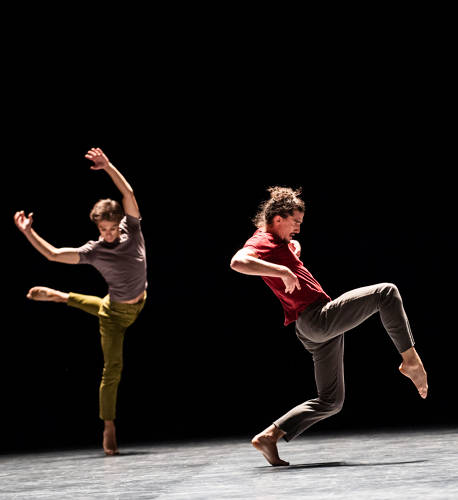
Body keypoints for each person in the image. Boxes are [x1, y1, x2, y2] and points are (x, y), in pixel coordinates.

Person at [230, 186, 428, 467]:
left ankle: (270, 436)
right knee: (386, 292)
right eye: (295, 222)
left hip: (310, 328)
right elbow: (237, 262)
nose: (298, 228)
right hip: (316, 318)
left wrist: (290, 254)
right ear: (278, 218)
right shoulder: (262, 240)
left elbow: (278, 254)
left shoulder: (277, 242)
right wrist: (283, 270)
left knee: (331, 401)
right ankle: (411, 360)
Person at [14, 148, 147, 456]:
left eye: (113, 228)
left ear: (119, 223)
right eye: (103, 230)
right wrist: (29, 233)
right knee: (112, 367)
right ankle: (109, 424)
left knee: (102, 306)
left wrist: (108, 166)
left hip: (137, 302)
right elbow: (54, 254)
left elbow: (127, 192)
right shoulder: (95, 250)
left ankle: (62, 296)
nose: (109, 234)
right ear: (96, 228)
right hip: (115, 314)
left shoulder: (134, 229)